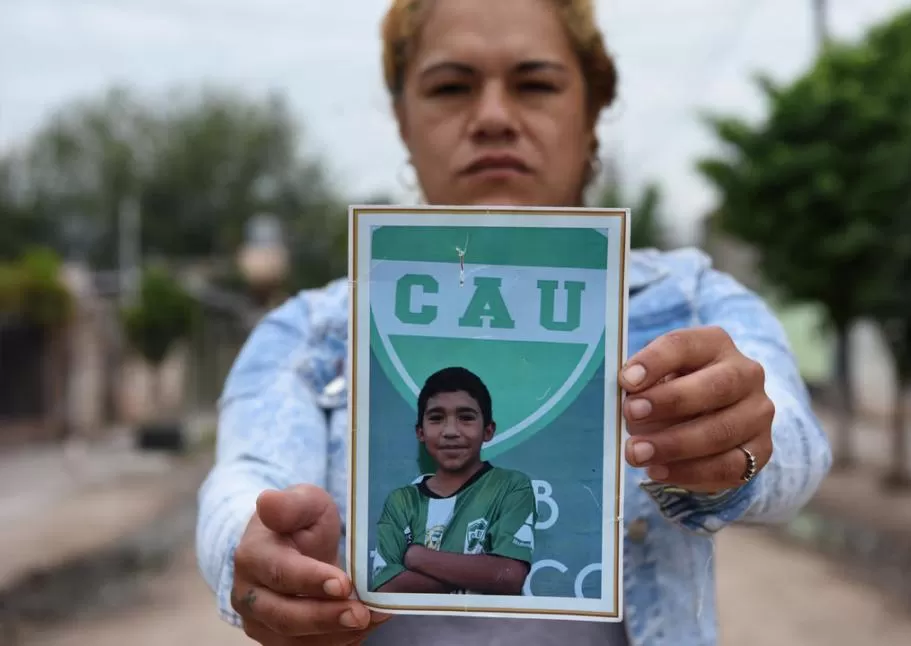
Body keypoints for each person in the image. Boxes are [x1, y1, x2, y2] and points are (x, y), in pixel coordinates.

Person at [195, 0, 833, 644]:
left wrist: (742, 441)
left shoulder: (691, 300)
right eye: (451, 86)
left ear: (592, 113)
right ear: (402, 120)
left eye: (536, 84)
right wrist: (253, 549)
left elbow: (795, 439)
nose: (494, 117)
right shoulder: (312, 332)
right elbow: (246, 479)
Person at [371, 367, 536, 595]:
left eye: (466, 418)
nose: (450, 431)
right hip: (418, 631)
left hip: (492, 631)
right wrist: (479, 574)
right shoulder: (402, 501)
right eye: (436, 418)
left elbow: (508, 576)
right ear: (420, 432)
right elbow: (386, 587)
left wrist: (416, 556)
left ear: (488, 430)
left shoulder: (510, 486)